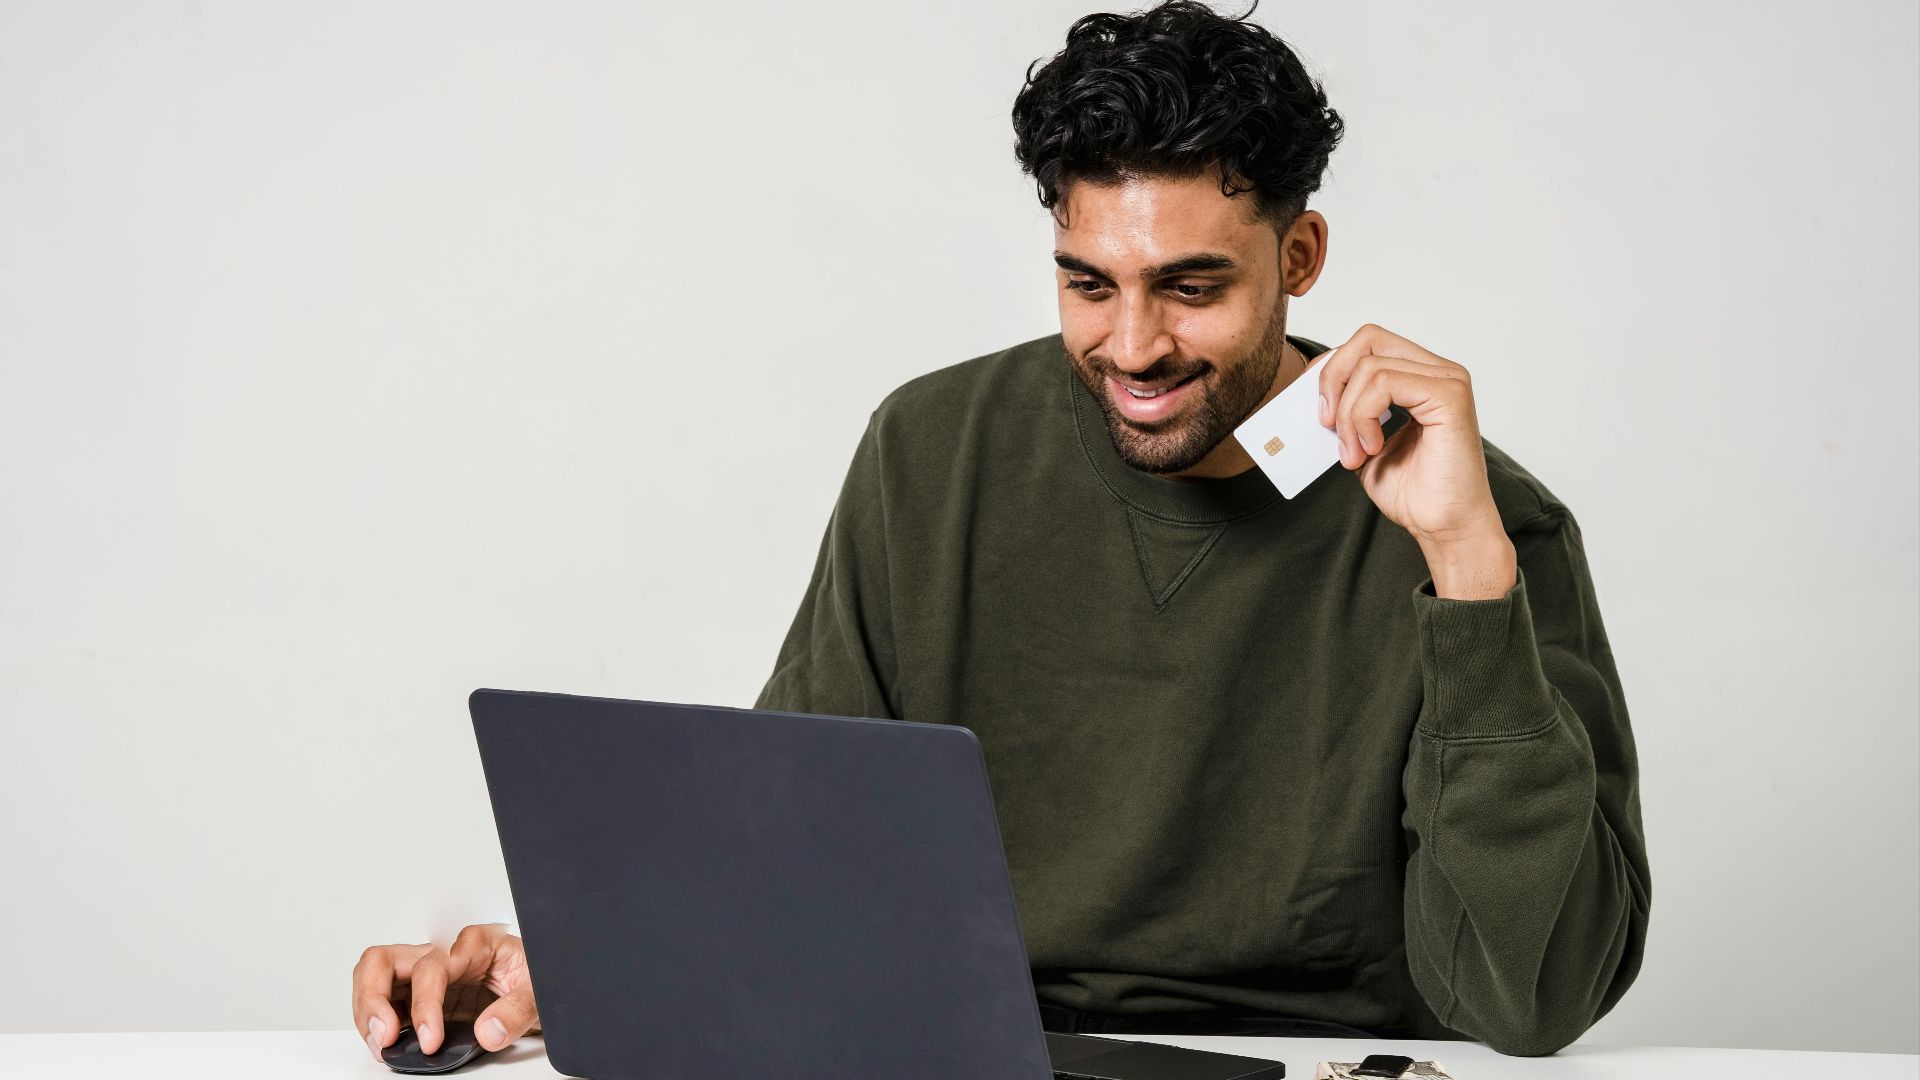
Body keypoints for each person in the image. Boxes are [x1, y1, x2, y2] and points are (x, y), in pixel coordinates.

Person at [351, 0, 1649, 1061]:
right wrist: (567, 965)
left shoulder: (1482, 519)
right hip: (978, 1061)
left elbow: (1532, 1002)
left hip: (1310, 1068)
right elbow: (792, 863)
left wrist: (1468, 574)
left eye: (1192, 288)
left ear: (1300, 254)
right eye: (1091, 284)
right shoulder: (934, 450)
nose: (1132, 347)